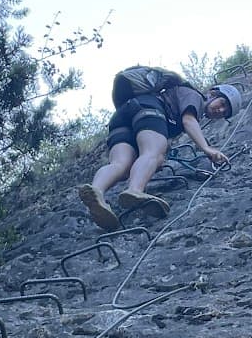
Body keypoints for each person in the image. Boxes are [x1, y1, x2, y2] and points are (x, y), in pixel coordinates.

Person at [78, 68, 241, 229]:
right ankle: (135, 190)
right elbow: (188, 121)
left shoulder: (176, 94)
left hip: (123, 115)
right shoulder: (195, 96)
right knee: (153, 152)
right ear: (213, 93)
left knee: (122, 164)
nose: (221, 110)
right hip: (148, 110)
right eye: (223, 103)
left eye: (225, 112)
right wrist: (206, 148)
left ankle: (97, 192)